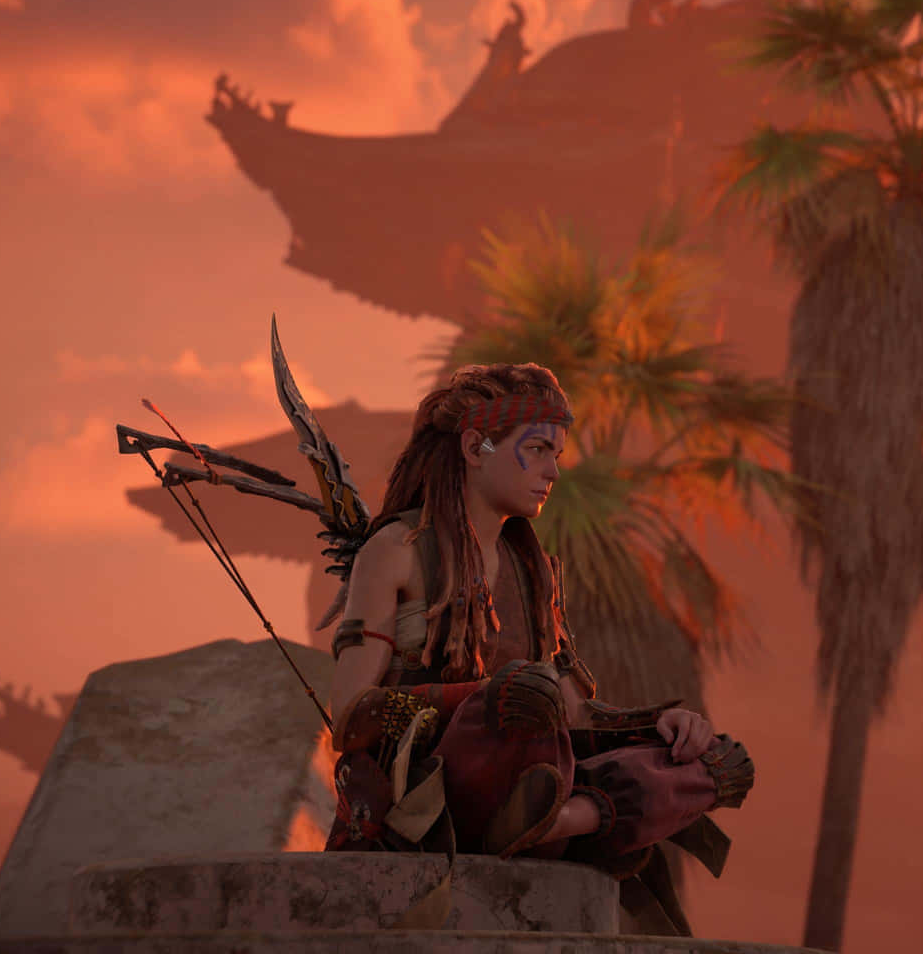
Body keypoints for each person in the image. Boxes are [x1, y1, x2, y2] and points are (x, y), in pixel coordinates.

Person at [319, 362, 751, 930]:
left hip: (544, 778)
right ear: (476, 446)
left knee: (716, 760)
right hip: (437, 798)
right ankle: (560, 817)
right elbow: (349, 719)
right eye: (539, 449)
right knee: (522, 702)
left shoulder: (534, 571)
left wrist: (659, 726)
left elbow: (573, 716)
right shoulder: (398, 551)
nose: (553, 471)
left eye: (558, 455)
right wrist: (485, 697)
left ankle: (555, 820)